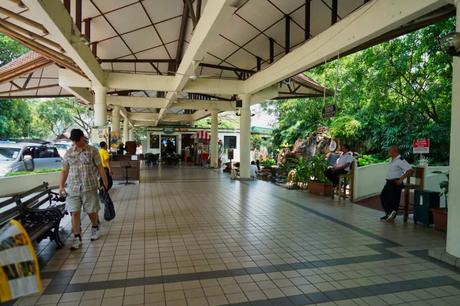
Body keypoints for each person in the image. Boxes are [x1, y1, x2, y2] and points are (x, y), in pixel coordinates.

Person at [59, 129, 109, 250]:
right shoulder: (69, 153)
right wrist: (61, 186)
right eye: (73, 141)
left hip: (89, 186)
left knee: (91, 211)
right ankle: (77, 237)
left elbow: (100, 167)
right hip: (73, 188)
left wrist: (105, 182)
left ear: (83, 138)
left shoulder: (93, 151)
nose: (76, 143)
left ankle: (95, 227)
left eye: (78, 140)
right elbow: (64, 170)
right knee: (75, 212)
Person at [380, 145, 413, 222]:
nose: (388, 152)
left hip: (395, 182)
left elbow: (410, 170)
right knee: (383, 196)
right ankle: (389, 213)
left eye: (389, 150)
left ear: (394, 151)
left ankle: (391, 214)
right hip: (389, 181)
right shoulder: (392, 160)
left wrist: (401, 179)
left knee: (393, 199)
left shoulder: (400, 160)